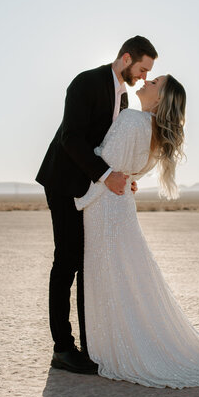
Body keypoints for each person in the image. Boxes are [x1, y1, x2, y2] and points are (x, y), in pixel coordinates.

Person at [75, 74, 199, 388]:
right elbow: (129, 170)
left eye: (154, 83)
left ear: (159, 99)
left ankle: (109, 348)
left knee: (109, 273)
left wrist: (80, 193)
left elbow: (105, 163)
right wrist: (125, 178)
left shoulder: (131, 119)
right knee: (126, 273)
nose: (146, 83)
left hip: (105, 207)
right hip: (121, 205)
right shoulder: (152, 130)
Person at [36, 36, 158, 374]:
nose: (145, 77)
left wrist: (125, 175)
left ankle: (92, 345)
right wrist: (107, 175)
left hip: (93, 188)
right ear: (126, 58)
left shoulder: (127, 104)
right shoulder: (86, 82)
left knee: (89, 262)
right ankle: (63, 348)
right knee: (68, 260)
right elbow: (70, 137)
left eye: (150, 73)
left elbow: (109, 147)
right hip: (63, 183)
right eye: (143, 69)